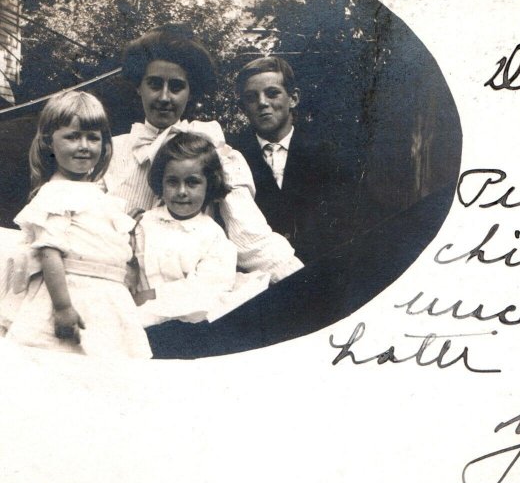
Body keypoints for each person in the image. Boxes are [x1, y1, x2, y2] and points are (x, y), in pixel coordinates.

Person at [104, 26, 302, 282]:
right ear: (139, 87)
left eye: (176, 87)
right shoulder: (109, 151)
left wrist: (300, 278)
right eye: (154, 84)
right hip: (116, 286)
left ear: (190, 91)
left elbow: (250, 237)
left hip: (188, 290)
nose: (164, 97)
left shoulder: (211, 147)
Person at [0, 91, 150, 358]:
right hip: (72, 292)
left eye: (93, 137)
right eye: (72, 137)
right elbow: (50, 252)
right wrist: (62, 307)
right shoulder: (56, 193)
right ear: (49, 143)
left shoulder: (99, 195)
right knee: (64, 367)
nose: (84, 146)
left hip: (107, 298)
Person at [233, 56, 359, 263]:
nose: (262, 103)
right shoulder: (232, 155)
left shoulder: (327, 153)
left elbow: (347, 222)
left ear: (293, 98)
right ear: (243, 107)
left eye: (272, 93)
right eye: (251, 97)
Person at [132, 132, 243, 328]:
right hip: (137, 321)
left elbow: (208, 289)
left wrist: (155, 295)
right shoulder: (143, 224)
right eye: (173, 182)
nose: (182, 191)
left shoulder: (213, 237)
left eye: (192, 182)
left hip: (189, 327)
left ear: (209, 184)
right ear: (161, 182)